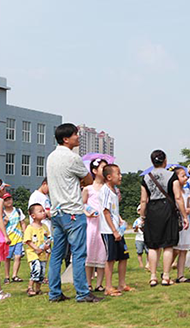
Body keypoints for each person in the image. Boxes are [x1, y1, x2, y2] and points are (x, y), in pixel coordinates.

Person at [46, 123, 102, 303]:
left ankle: (55, 293)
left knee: (56, 255)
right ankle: (83, 293)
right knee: (78, 254)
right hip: (73, 212)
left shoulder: (51, 157)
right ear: (66, 139)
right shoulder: (73, 157)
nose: (78, 137)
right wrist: (80, 182)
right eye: (75, 135)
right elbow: (88, 179)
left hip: (57, 211)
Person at [140, 150, 189, 287]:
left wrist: (142, 216)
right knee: (168, 245)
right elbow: (178, 197)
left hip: (152, 210)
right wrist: (184, 216)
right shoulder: (172, 176)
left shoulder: (146, 177)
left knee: (153, 246)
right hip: (167, 209)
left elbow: (143, 200)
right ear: (165, 161)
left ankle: (153, 276)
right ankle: (166, 276)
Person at [100, 164, 130, 296]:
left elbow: (113, 211)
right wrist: (114, 231)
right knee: (110, 258)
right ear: (109, 177)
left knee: (124, 256)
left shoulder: (115, 190)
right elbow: (106, 212)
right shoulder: (105, 191)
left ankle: (122, 284)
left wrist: (120, 220)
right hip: (109, 231)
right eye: (118, 174)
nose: (120, 176)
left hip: (117, 229)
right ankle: (108, 287)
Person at [82, 158, 108, 292]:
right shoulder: (88, 189)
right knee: (90, 252)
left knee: (102, 252)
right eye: (103, 168)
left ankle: (99, 283)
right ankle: (88, 282)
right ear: (94, 171)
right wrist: (87, 213)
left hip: (104, 224)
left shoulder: (108, 188)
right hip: (91, 224)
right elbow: (81, 204)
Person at [24, 203, 52, 296]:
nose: (43, 213)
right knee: (36, 269)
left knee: (42, 271)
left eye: (43, 211)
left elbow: (49, 237)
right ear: (33, 216)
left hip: (42, 254)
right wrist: (36, 249)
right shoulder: (30, 228)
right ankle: (30, 287)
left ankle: (38, 289)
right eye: (40, 211)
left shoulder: (44, 226)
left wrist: (47, 245)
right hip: (33, 254)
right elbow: (28, 240)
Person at [172, 167, 190, 284]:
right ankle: (166, 271)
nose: (186, 178)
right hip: (177, 221)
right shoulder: (174, 192)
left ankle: (181, 275)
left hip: (186, 221)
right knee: (175, 248)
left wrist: (187, 210)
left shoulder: (186, 191)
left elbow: (187, 205)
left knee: (184, 249)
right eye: (183, 176)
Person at [2, 192, 27, 284]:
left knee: (18, 256)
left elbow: (22, 222)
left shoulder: (18, 211)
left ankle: (14, 275)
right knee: (7, 258)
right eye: (6, 200)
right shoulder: (2, 213)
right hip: (7, 239)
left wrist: (25, 234)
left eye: (9, 199)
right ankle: (7, 276)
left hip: (18, 238)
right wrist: (5, 222)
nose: (8, 201)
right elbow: (0, 226)